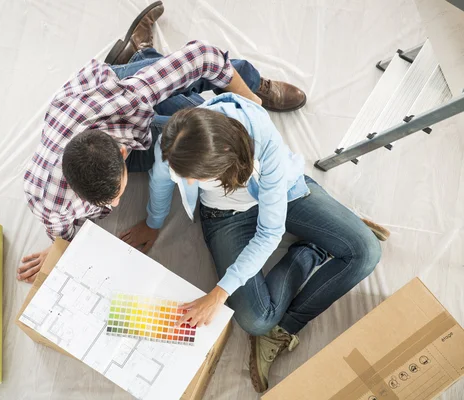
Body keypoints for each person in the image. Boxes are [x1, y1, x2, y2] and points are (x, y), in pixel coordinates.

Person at [19, 1, 308, 282]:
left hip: (108, 92)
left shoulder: (130, 100)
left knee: (196, 119)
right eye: (110, 200)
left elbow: (203, 57)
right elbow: (65, 233)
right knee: (185, 127)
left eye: (117, 192)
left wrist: (251, 103)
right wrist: (57, 249)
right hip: (88, 113)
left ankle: (252, 83)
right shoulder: (48, 199)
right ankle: (140, 52)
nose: (118, 203)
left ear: (122, 152)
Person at [121, 94, 389, 392]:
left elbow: (269, 232)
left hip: (285, 195)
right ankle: (313, 247)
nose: (189, 185)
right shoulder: (175, 141)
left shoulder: (263, 140)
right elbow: (160, 179)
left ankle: (285, 327)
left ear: (225, 155)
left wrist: (219, 294)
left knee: (365, 252)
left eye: (197, 177)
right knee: (257, 319)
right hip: (224, 216)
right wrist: (152, 223)